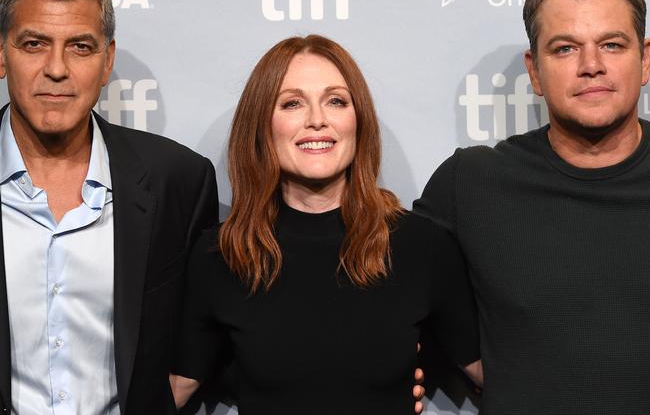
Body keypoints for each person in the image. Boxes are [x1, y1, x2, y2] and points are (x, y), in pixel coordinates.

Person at [170, 35, 481, 414]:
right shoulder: (220, 256)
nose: (317, 119)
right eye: (292, 103)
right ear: (262, 126)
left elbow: (504, 374)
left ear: (358, 120)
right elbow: (175, 388)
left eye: (336, 101)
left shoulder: (422, 247)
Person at [414, 0, 650, 414]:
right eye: (565, 49)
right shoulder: (471, 183)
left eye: (612, 44)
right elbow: (384, 296)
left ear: (644, 61)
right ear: (534, 71)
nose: (592, 66)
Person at [0, 0, 218, 413]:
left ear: (107, 61)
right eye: (34, 44)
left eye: (80, 47)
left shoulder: (177, 179)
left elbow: (199, 339)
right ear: (2, 55)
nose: (56, 68)